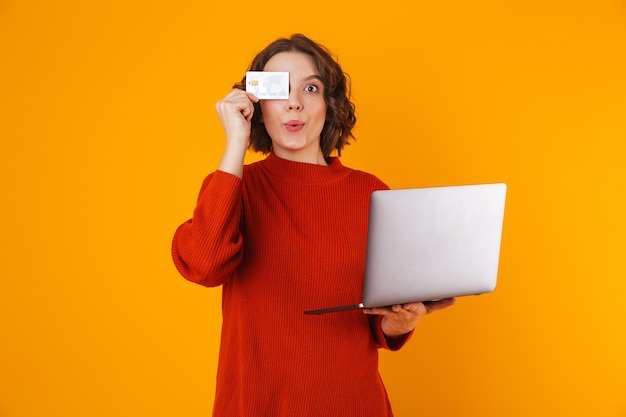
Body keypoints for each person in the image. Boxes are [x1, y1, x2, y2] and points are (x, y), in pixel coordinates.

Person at [171, 33, 455, 417]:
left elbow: (375, 328)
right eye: (277, 90)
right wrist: (235, 143)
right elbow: (203, 264)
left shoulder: (370, 193)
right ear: (255, 104)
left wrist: (400, 322)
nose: (294, 103)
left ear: (329, 103)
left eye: (310, 87)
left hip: (354, 405)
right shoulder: (236, 186)